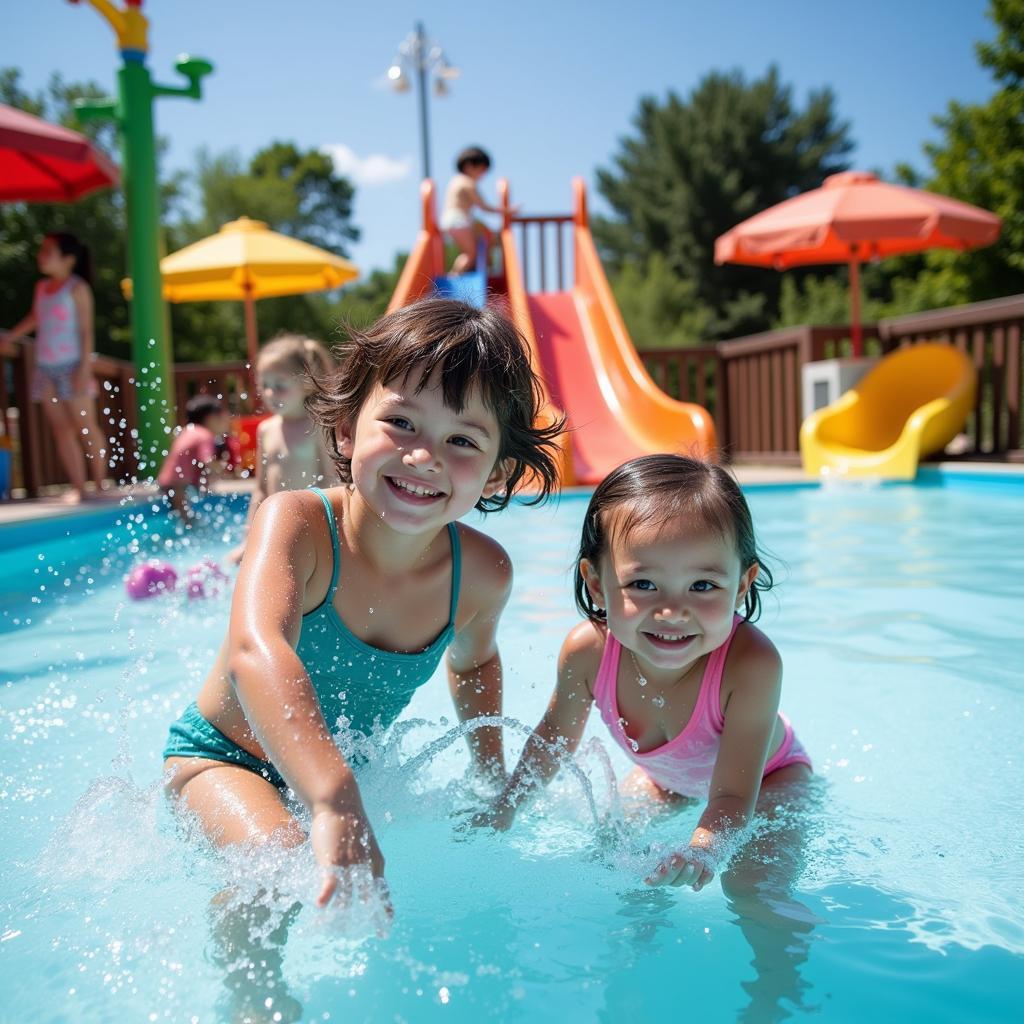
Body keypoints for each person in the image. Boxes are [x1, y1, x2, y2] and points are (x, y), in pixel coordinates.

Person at [162, 298, 563, 912]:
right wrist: (333, 797)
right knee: (278, 868)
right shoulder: (299, 526)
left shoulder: (480, 575)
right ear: (348, 428)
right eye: (401, 423)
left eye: (461, 440)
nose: (424, 456)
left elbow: (475, 662)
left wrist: (489, 777)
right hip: (224, 758)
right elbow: (255, 650)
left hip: (337, 777)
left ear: (495, 472)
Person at [476, 454, 812, 892]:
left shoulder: (750, 666)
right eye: (644, 585)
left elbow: (731, 797)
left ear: (741, 586)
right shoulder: (588, 654)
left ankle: (777, 960)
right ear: (596, 582)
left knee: (751, 886)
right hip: (668, 781)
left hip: (769, 779)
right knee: (612, 858)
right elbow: (551, 746)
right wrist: (504, 807)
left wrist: (702, 851)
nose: (672, 612)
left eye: (703, 586)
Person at [2, 232, 106, 503]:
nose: (41, 255)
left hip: (73, 366)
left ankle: (100, 483)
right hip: (46, 368)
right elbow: (35, 318)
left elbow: (85, 331)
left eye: (48, 250)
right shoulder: (41, 288)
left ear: (68, 259)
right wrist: (10, 338)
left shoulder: (77, 288)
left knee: (86, 427)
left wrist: (84, 368)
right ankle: (80, 487)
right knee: (61, 430)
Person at [228, 333, 335, 564]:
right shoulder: (266, 430)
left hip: (312, 528)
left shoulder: (318, 426)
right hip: (275, 526)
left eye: (279, 386)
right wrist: (249, 539)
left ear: (306, 383)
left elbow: (332, 481)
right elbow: (261, 489)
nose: (269, 393)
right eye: (264, 385)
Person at [440, 146, 516, 275]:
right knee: (470, 254)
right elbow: (483, 206)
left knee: (481, 234)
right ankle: (453, 278)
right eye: (481, 170)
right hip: (459, 220)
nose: (482, 175)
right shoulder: (467, 182)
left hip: (450, 220)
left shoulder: (455, 181)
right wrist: (505, 211)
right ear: (469, 166)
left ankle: (482, 264)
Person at [157, 394, 232, 519]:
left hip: (168, 483)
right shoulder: (204, 435)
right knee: (189, 523)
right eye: (221, 417)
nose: (225, 421)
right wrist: (223, 470)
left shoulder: (188, 430)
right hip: (179, 487)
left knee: (181, 519)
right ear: (210, 418)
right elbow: (207, 460)